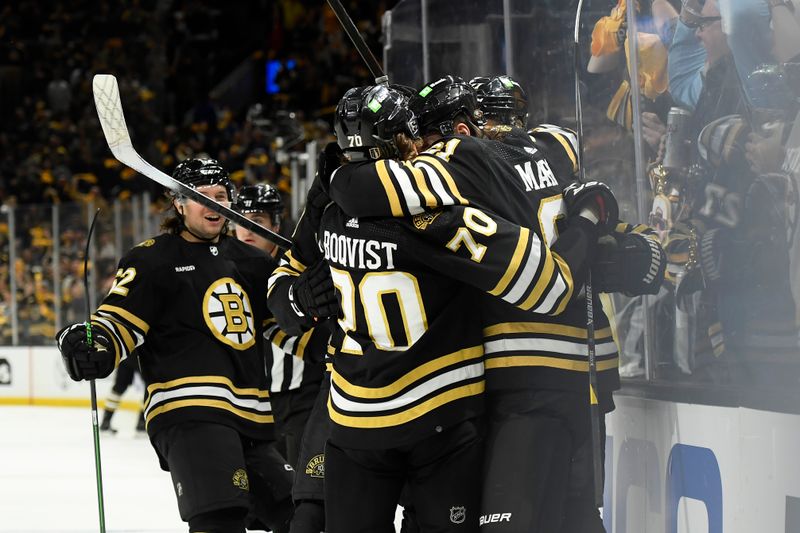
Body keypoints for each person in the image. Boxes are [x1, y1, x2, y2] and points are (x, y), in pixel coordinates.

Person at [325, 76, 663, 532]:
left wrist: (342, 171)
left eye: (428, 135)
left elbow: (362, 187)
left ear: (459, 131)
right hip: (587, 369)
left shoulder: (460, 159)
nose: (422, 145)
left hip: (523, 372)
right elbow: (618, 244)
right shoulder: (555, 147)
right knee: (574, 517)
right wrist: (601, 233)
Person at [55, 157, 293, 533]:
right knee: (220, 520)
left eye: (221, 196)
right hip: (189, 411)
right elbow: (116, 321)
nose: (214, 204)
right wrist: (90, 342)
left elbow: (289, 331)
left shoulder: (253, 262)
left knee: (303, 516)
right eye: (202, 197)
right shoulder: (152, 259)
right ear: (179, 204)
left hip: (252, 419)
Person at [233, 183, 329, 470]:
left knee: (301, 492)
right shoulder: (225, 269)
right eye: (241, 221)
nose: (248, 230)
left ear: (276, 225)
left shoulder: (295, 269)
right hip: (251, 401)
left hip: (301, 399)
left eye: (257, 222)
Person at [99, 354, 145, 434]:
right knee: (149, 387)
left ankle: (105, 422)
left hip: (127, 354)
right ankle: (142, 423)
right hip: (142, 355)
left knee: (118, 389)